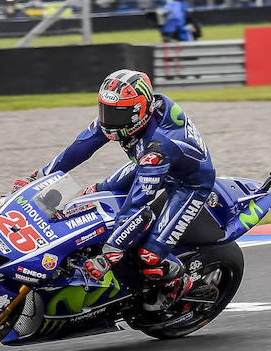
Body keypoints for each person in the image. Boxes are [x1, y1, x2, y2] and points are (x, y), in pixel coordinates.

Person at [13, 69, 215, 312]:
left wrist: (110, 253)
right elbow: (80, 148)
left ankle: (179, 283)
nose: (108, 120)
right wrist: (39, 177)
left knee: (149, 257)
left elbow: (138, 207)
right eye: (105, 111)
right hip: (148, 163)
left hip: (188, 183)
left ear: (139, 111)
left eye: (117, 114)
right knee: (94, 194)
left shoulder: (158, 147)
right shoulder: (132, 116)